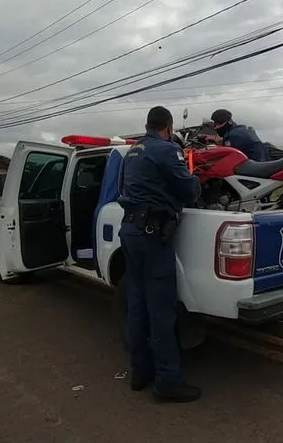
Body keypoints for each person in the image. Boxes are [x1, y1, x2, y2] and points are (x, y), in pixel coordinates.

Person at [117, 105, 202, 403]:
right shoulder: (166, 150)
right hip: (153, 236)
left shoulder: (133, 152)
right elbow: (189, 191)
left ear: (148, 124)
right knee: (161, 311)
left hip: (129, 230)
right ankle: (168, 381)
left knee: (137, 305)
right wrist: (193, 176)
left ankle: (140, 373)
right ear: (168, 126)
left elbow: (122, 189)